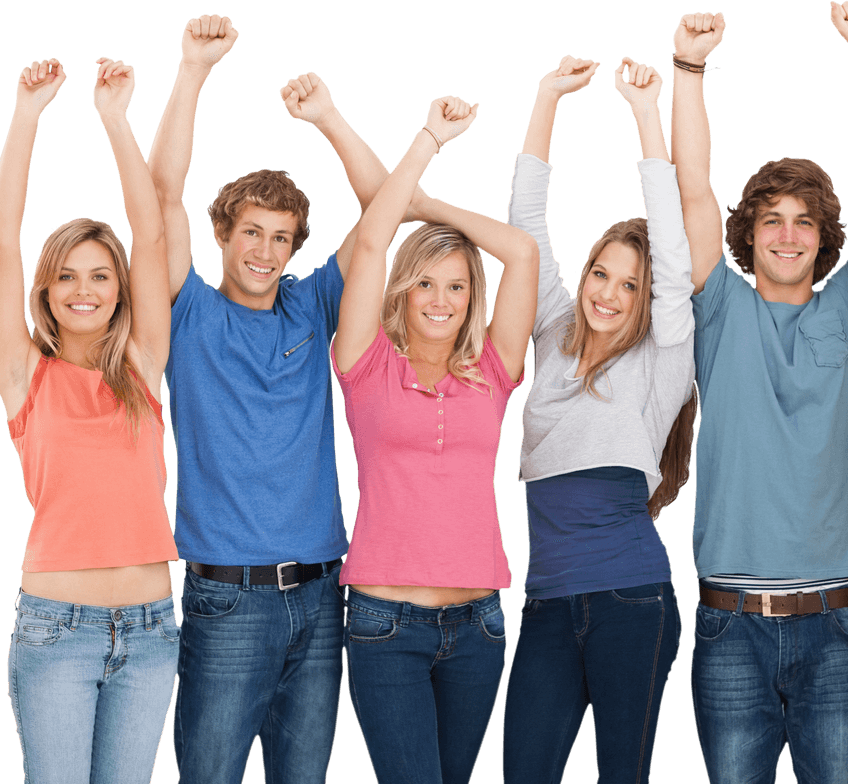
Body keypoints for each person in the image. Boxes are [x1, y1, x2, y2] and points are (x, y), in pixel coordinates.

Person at [147, 14, 408, 783]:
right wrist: (192, 70)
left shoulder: (312, 305)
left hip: (321, 597)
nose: (265, 251)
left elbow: (386, 210)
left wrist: (327, 118)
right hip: (227, 600)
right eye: (252, 233)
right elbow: (160, 196)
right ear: (223, 233)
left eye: (282, 237)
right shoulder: (189, 311)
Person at [676, 5, 848, 781]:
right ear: (748, 232)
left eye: (804, 222)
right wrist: (689, 69)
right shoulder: (719, 303)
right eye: (771, 220)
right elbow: (693, 189)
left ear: (824, 236)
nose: (787, 234)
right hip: (730, 624)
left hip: (841, 623)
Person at [501, 50, 699, 783]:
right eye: (600, 274)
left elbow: (673, 251)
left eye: (630, 285)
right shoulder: (553, 327)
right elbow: (525, 225)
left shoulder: (663, 355)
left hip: (631, 600)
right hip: (548, 604)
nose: (609, 294)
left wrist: (646, 114)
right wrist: (547, 97)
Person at [332, 93, 537, 783]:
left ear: (473, 295)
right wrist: (428, 140)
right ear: (402, 290)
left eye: (456, 286)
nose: (441, 301)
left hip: (479, 626)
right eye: (425, 283)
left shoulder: (492, 372)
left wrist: (430, 207)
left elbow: (522, 252)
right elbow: (371, 241)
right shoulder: (366, 364)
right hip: (384, 624)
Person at [0, 56, 177, 783]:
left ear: (121, 289)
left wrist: (115, 119)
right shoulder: (23, 374)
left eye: (100, 275)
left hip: (154, 632)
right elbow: (2, 243)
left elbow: (150, 239)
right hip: (55, 632)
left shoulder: (145, 367)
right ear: (45, 289)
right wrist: (25, 115)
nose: (83, 290)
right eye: (65, 275)